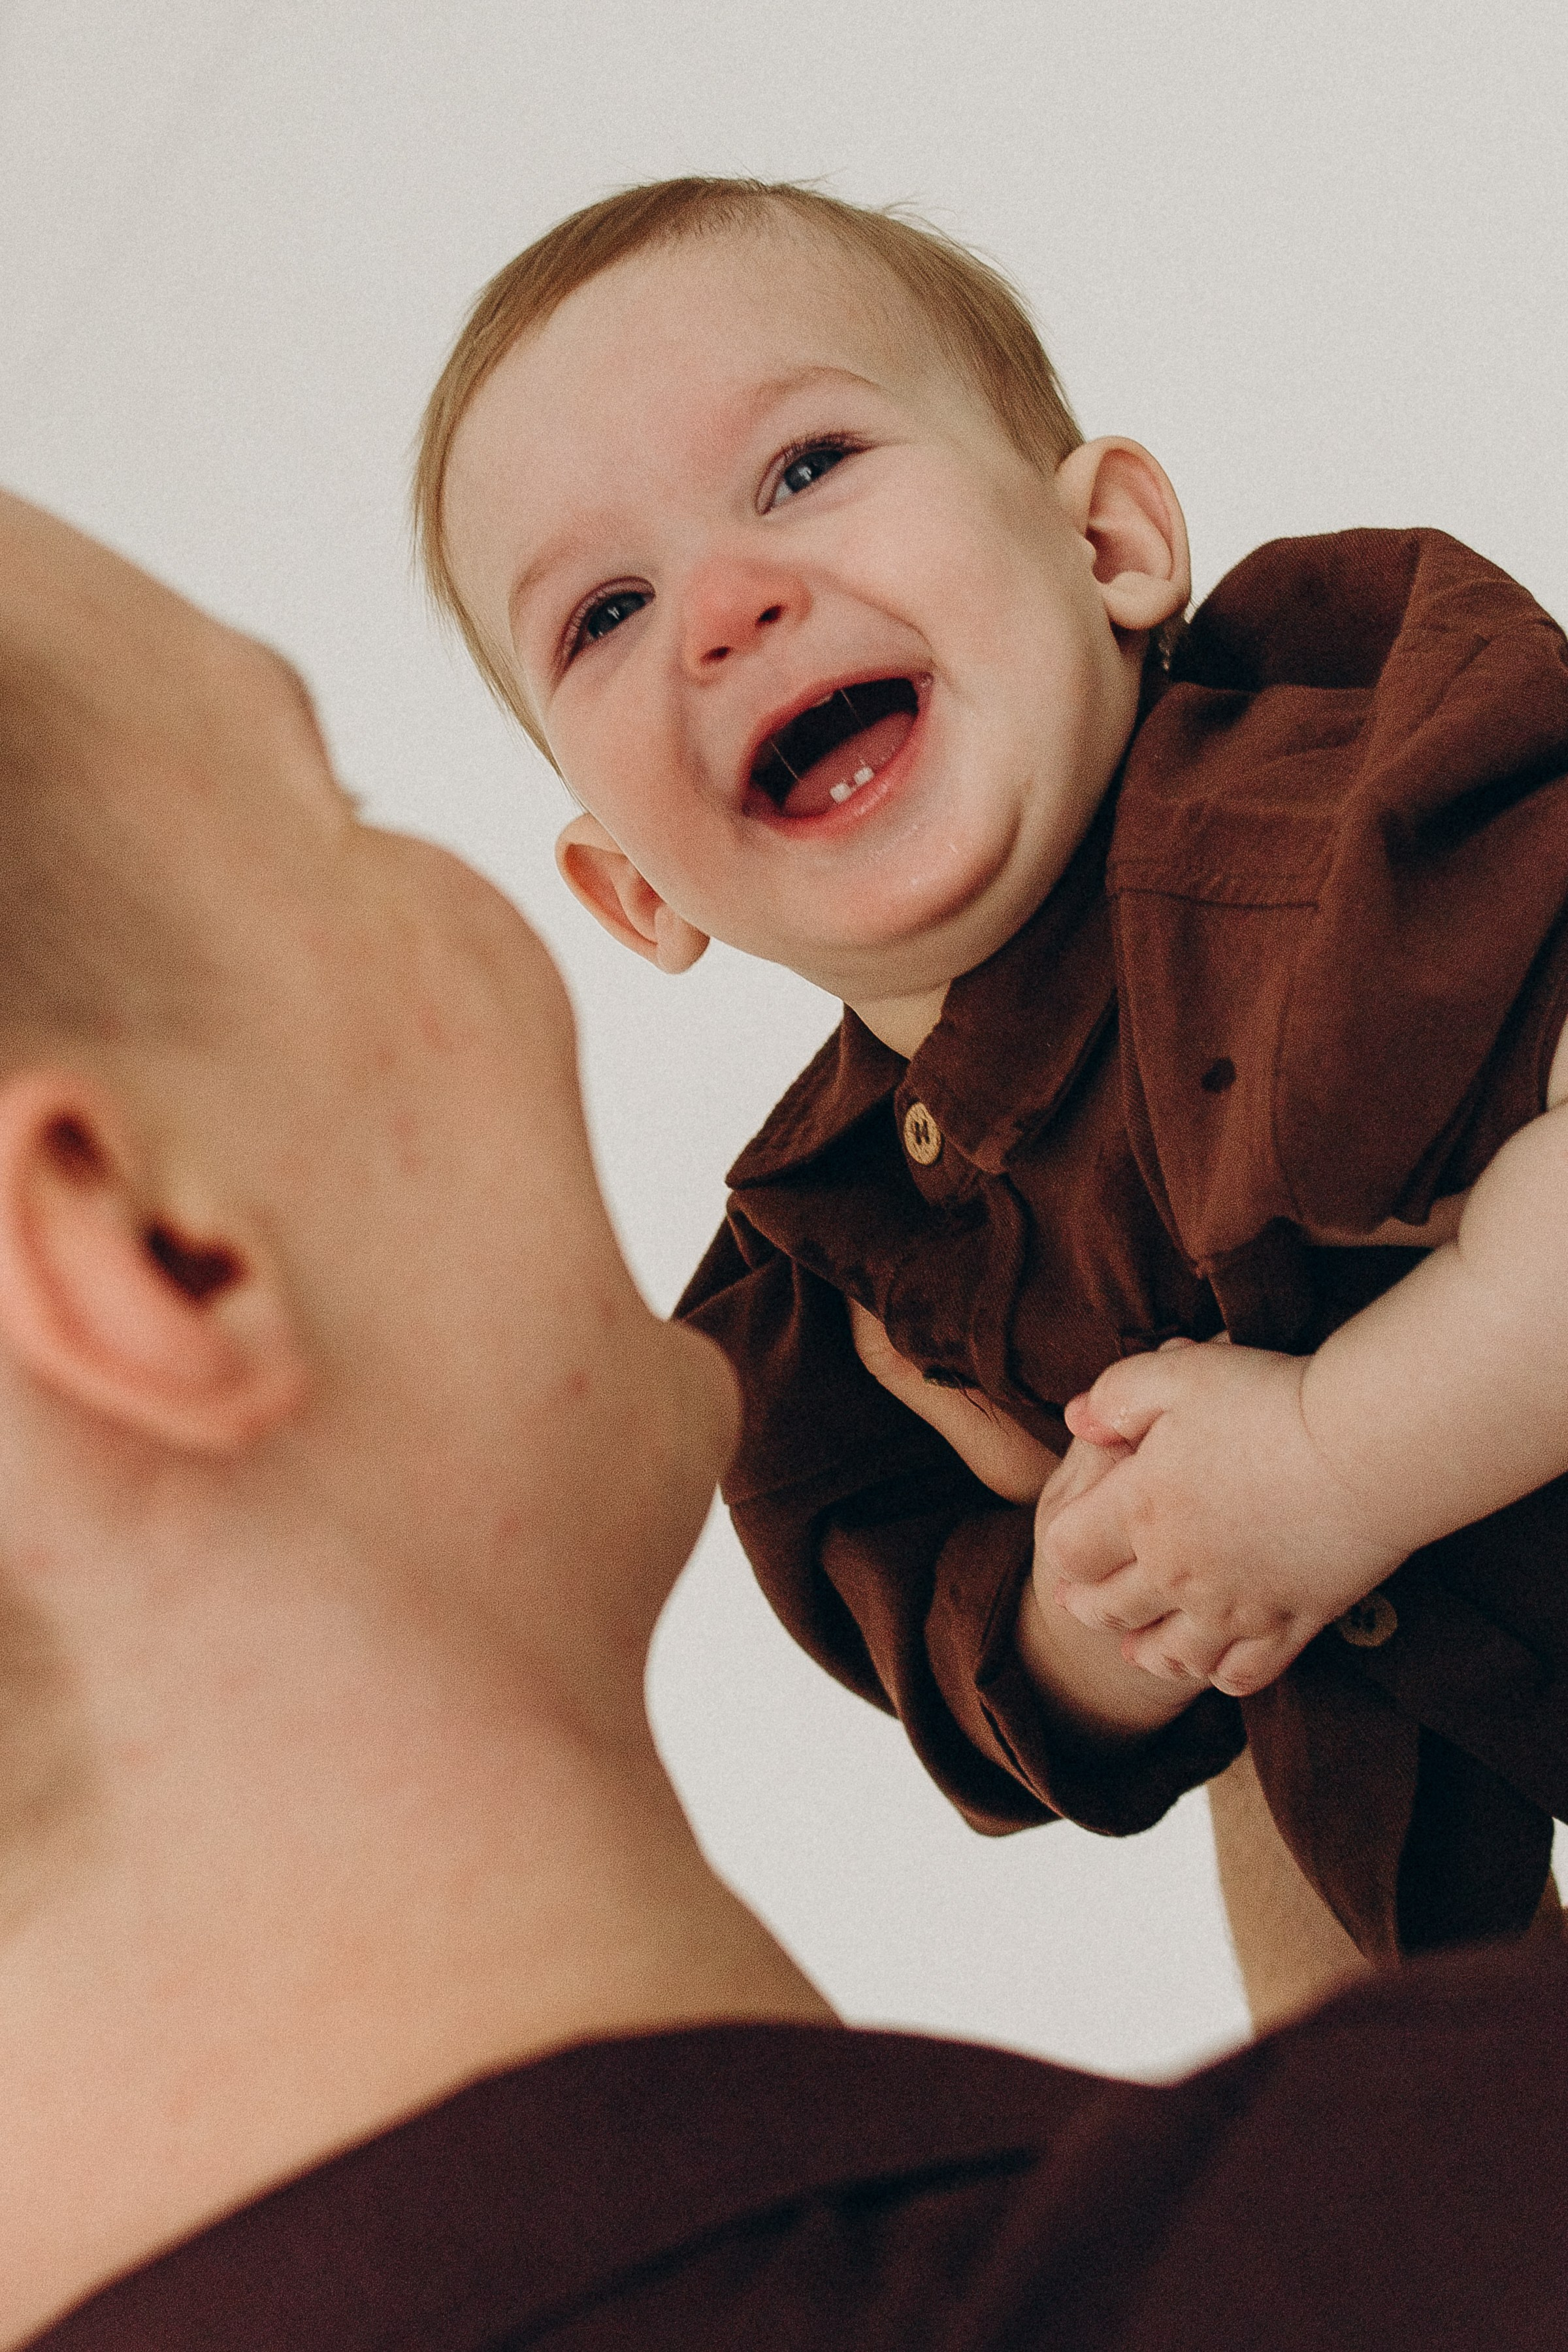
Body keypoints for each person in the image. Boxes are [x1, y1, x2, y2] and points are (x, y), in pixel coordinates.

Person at [5, 487, 1568, 2352]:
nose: (737, 610)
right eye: (330, 807)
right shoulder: (1439, 2233)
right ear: (153, 1250)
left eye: (819, 471)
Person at [414, 176, 1568, 1991]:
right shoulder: (823, 1280)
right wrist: (1103, 1598)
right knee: (1337, 2042)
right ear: (635, 891)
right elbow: (977, 1683)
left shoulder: (1342, 812)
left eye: (801, 469)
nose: (725, 605)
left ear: (1109, 546)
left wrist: (1335, 1463)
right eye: (608, 611)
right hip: (1442, 1867)